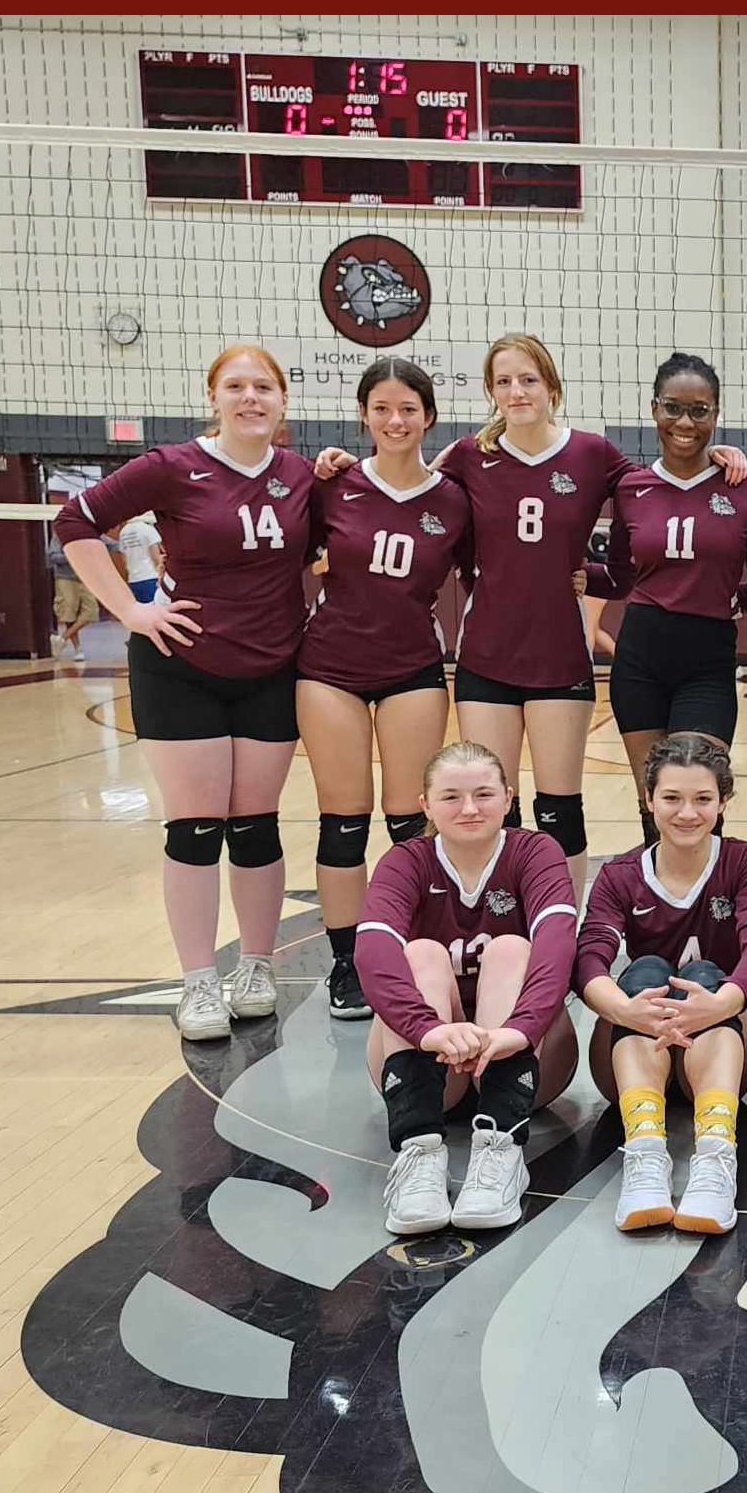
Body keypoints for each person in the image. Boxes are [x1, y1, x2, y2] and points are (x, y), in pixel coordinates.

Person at [315, 333, 746, 897]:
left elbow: (658, 486)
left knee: (559, 809)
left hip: (560, 656)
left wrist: (718, 459)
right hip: (486, 657)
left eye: (528, 379)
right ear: (491, 392)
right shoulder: (471, 455)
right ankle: (504, 920)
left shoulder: (592, 453)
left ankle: (560, 931)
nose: (516, 391)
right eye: (503, 381)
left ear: (551, 387)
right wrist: (341, 465)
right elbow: (408, 480)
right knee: (495, 806)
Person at [52, 345, 311, 1040]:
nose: (250, 397)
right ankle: (199, 980)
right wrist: (130, 610)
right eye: (235, 386)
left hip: (271, 669)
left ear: (284, 401)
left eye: (263, 387)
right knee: (195, 829)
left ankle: (255, 967)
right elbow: (74, 523)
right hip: (180, 667)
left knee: (256, 825)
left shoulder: (301, 474)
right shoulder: (172, 466)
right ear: (213, 396)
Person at [297, 357, 471, 1020]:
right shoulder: (333, 485)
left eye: (408, 409)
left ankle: (410, 946)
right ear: (364, 415)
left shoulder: (453, 497)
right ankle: (348, 963)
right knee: (343, 822)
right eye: (382, 409)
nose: (396, 421)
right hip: (330, 669)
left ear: (428, 415)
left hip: (412, 668)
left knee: (409, 823)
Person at [355, 740, 580, 1236]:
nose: (470, 809)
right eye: (451, 796)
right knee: (420, 953)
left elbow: (559, 944)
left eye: (483, 794)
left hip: (523, 1056)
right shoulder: (404, 860)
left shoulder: (535, 851)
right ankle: (418, 1154)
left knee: (512, 949)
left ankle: (501, 1150)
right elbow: (371, 953)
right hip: (431, 1056)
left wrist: (519, 1031)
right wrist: (429, 1030)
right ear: (425, 805)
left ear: (508, 796)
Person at [575, 733, 747, 1233]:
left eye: (703, 799)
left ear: (723, 801)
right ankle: (644, 1156)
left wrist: (715, 1005)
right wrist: (628, 1011)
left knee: (706, 977)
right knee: (643, 973)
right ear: (648, 799)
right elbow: (587, 962)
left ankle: (715, 1158)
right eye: (672, 798)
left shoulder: (746, 862)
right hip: (630, 1049)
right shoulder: (621, 874)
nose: (687, 812)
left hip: (723, 1050)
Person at [584, 354, 747, 847]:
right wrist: (570, 576)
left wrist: (734, 601)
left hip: (707, 657)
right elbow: (621, 576)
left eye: (700, 411)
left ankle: (710, 910)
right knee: (657, 801)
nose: (685, 423)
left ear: (716, 415)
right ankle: (655, 914)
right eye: (673, 408)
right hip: (640, 656)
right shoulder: (631, 487)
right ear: (654, 410)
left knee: (700, 794)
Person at [47, 518, 100, 658]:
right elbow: (53, 556)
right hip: (65, 578)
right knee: (68, 612)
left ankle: (61, 638)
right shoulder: (59, 535)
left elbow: (110, 544)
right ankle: (78, 650)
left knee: (91, 611)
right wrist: (73, 556)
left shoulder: (88, 533)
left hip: (85, 576)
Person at [116, 512, 163, 605]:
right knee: (155, 611)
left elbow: (124, 559)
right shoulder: (148, 529)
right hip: (151, 577)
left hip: (133, 579)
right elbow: (156, 557)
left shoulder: (123, 532)